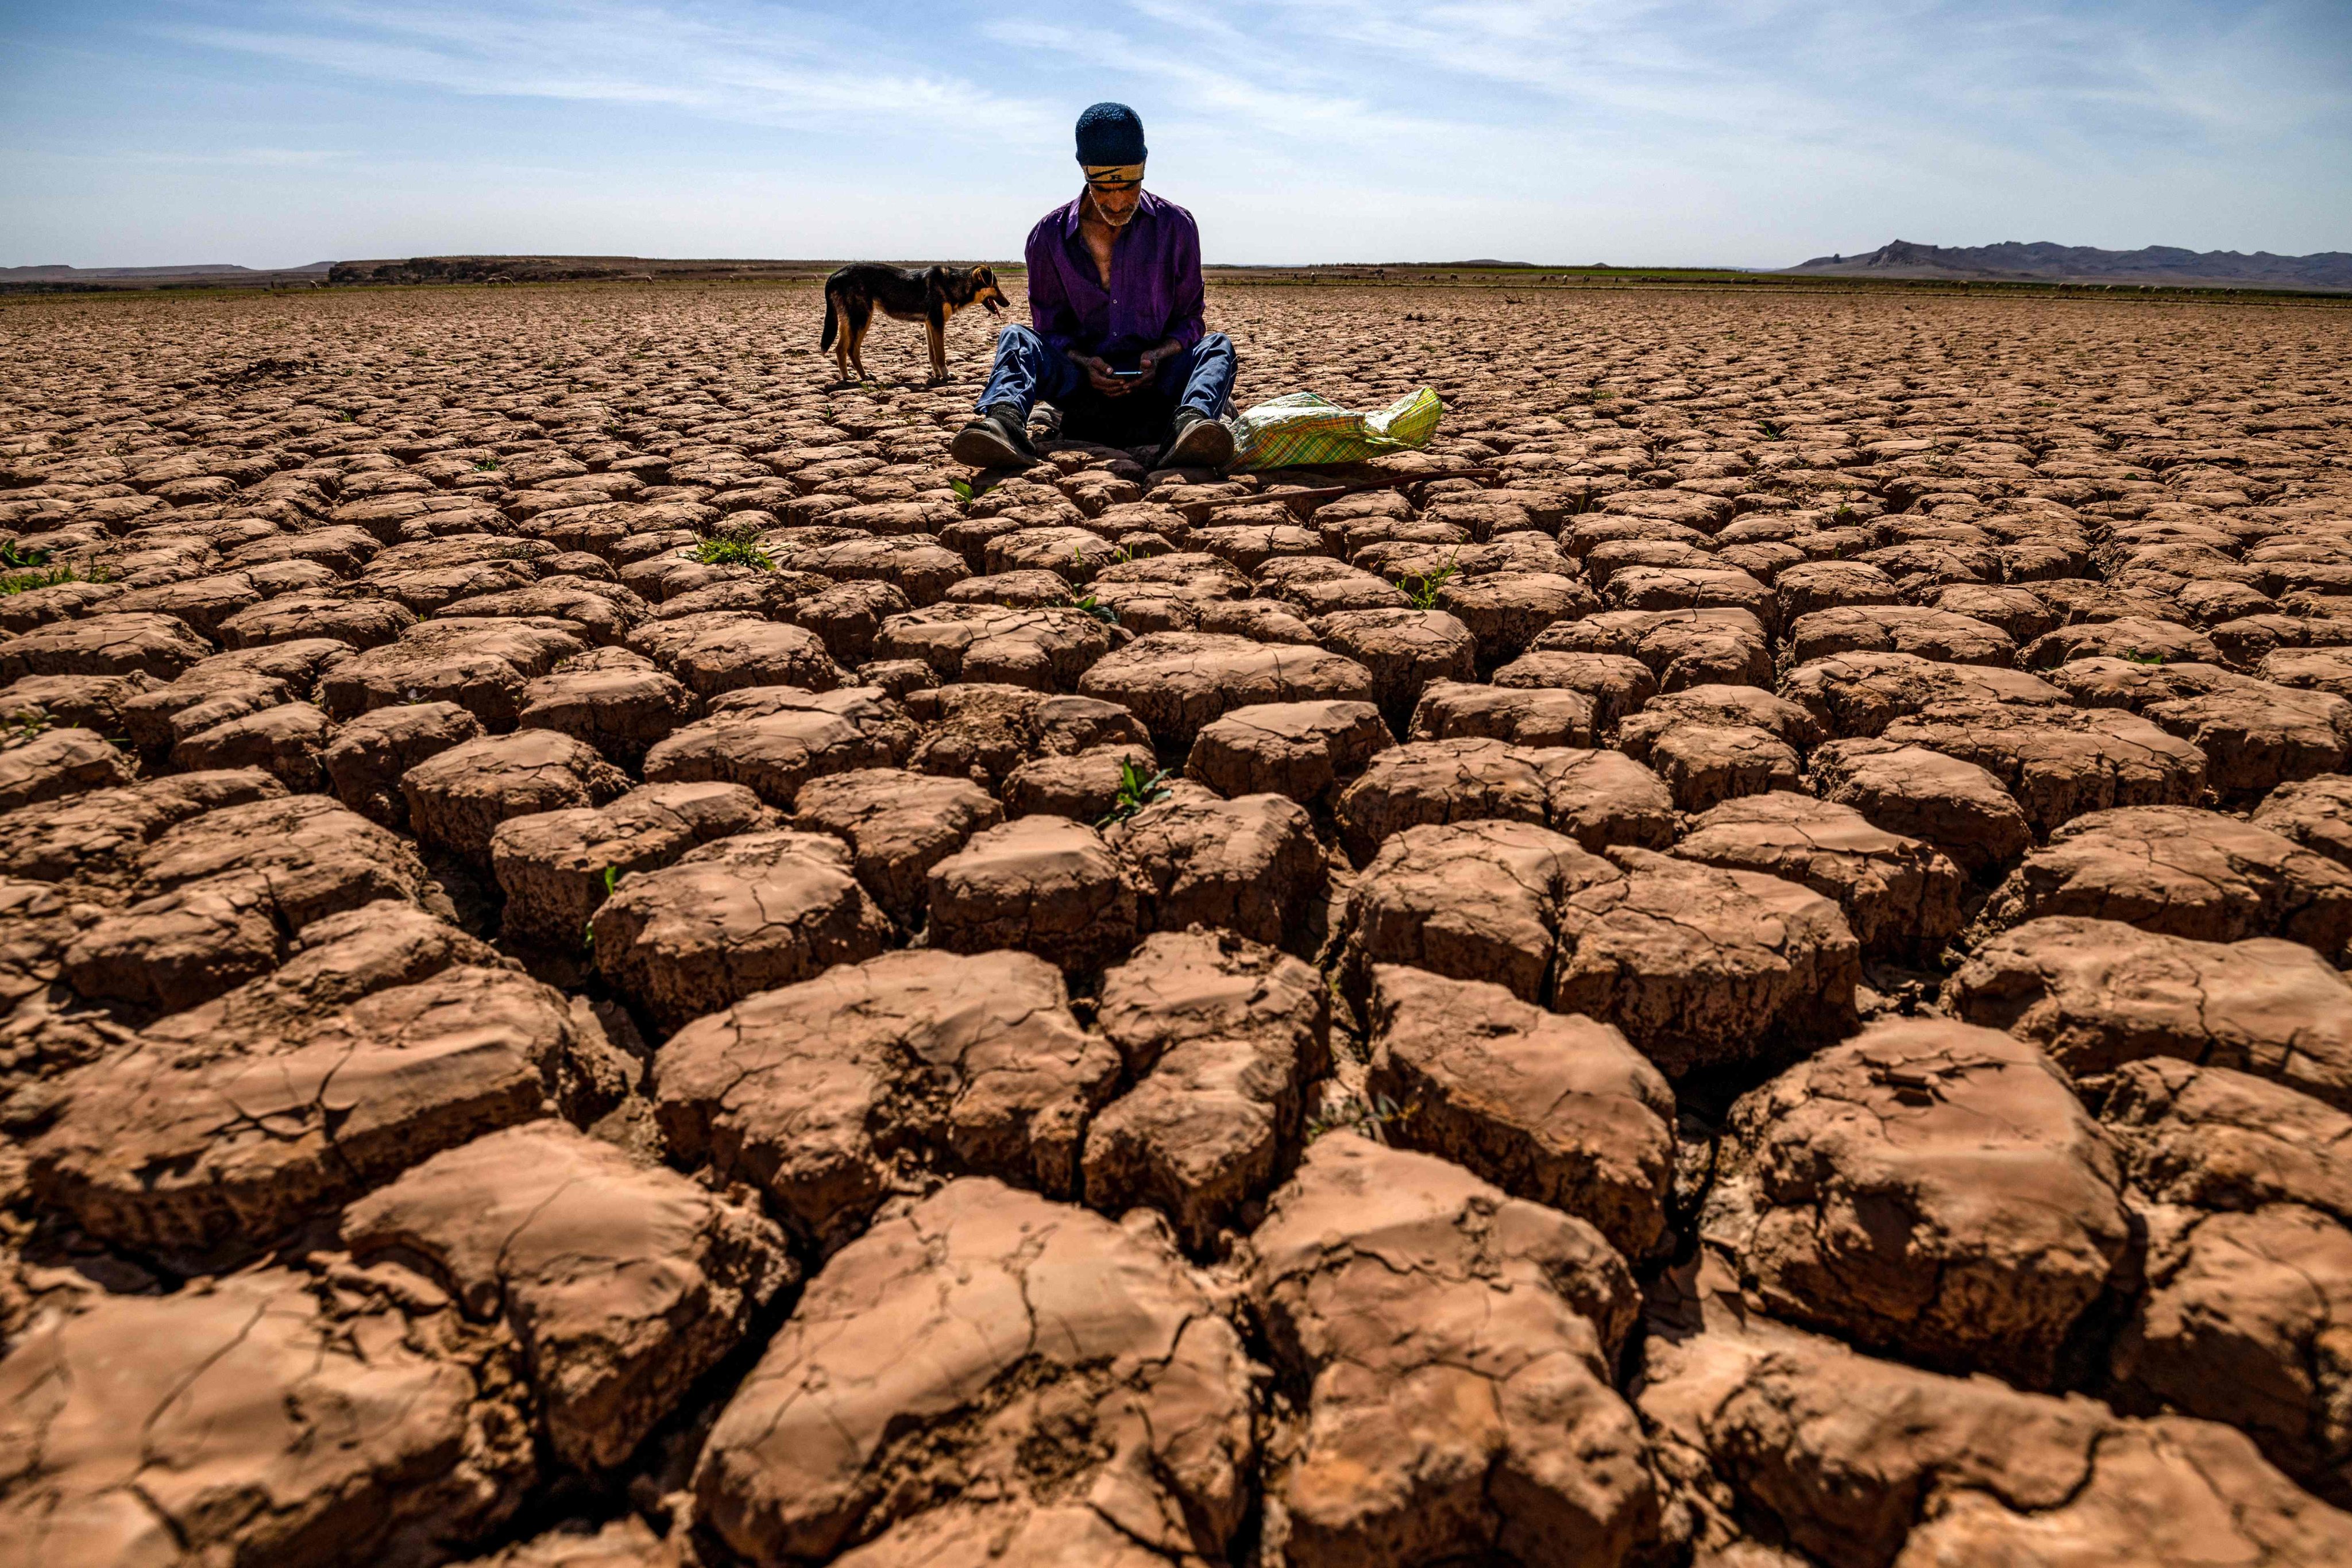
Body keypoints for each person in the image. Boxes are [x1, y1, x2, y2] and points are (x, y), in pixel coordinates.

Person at [952, 102, 1237, 470]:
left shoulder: (1176, 227)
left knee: (1218, 347)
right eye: (1103, 188)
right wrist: (1086, 363)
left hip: (1159, 383)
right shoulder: (1048, 238)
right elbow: (1050, 330)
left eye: (1129, 186)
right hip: (1083, 386)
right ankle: (1004, 422)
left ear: (1144, 169)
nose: (1117, 202)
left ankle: (1192, 426)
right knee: (1017, 338)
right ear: (1085, 172)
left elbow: (1191, 322)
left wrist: (1157, 358)